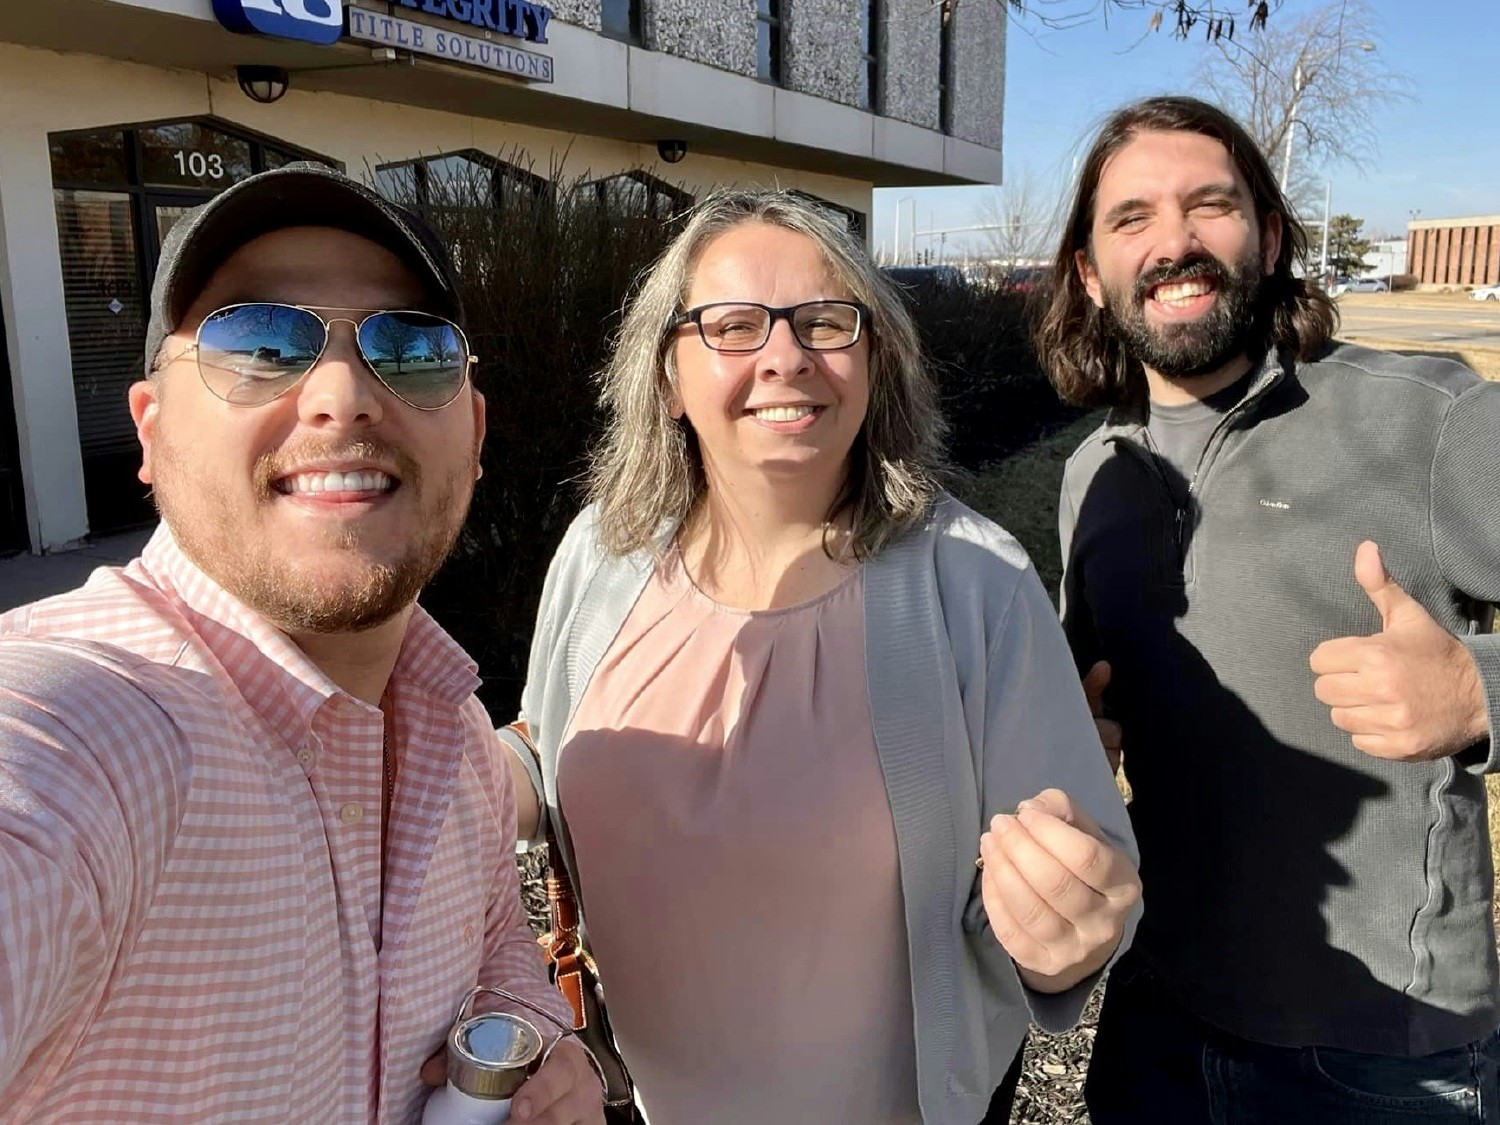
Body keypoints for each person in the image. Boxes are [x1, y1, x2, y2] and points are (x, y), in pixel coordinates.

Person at [500, 189, 1141, 1125]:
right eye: (733, 325)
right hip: (638, 1100)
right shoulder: (602, 551)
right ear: (668, 376)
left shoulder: (974, 584)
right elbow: (540, 737)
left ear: (876, 362)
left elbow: (1064, 901)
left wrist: (1067, 929)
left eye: (826, 322)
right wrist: (471, 777)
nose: (786, 356)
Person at [0, 164, 602, 1124]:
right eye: (258, 339)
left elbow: (500, 959)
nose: (341, 394)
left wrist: (532, 1043)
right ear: (151, 434)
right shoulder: (87, 734)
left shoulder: (460, 748)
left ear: (474, 431)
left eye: (407, 346)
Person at [1032, 94, 1500, 1122]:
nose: (1176, 243)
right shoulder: (1094, 477)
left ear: (1272, 235)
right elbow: (1089, 718)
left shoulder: (1426, 420)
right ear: (1087, 272)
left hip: (1379, 1058)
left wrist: (1478, 692)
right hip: (1155, 1025)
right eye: (1132, 220)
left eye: (1212, 206)